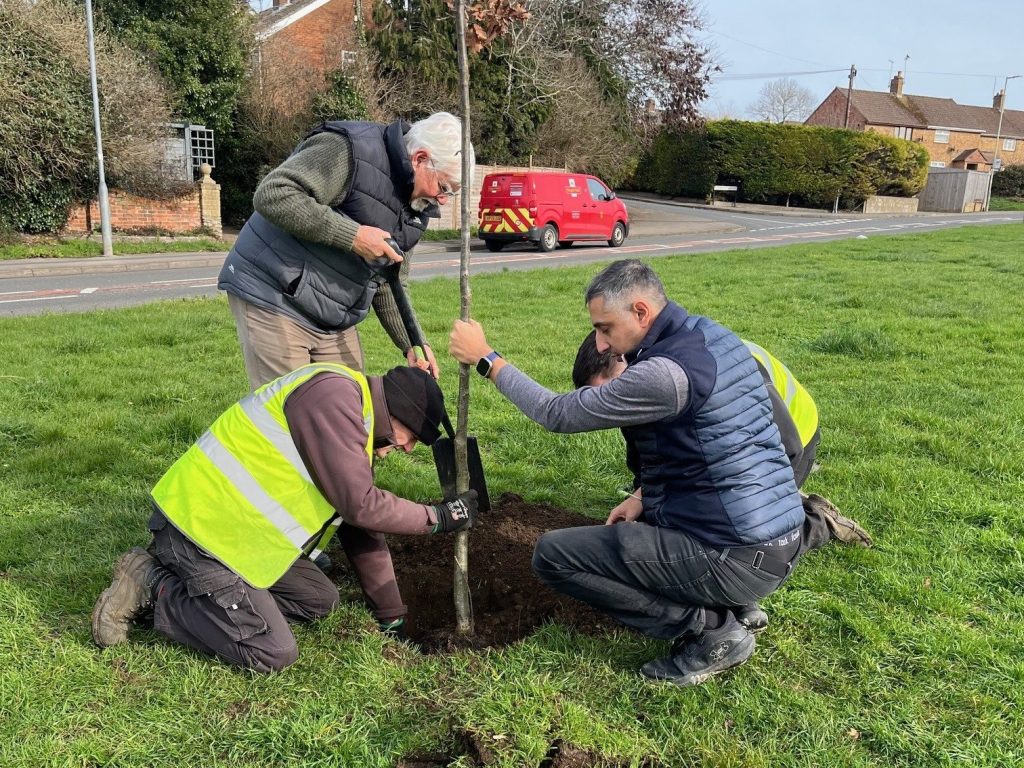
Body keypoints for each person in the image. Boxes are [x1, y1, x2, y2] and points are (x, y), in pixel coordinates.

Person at [450, 258, 816, 687]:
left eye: (605, 328)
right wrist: (641, 497)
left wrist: (487, 359)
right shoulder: (713, 338)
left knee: (554, 555)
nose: (601, 344)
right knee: (650, 519)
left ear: (641, 312)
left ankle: (708, 629)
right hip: (779, 543)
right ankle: (738, 603)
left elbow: (556, 413)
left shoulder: (664, 374)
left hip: (734, 555)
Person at [91, 364, 478, 672]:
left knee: (320, 601)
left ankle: (205, 591)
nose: (407, 449)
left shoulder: (353, 420)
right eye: (409, 437)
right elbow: (360, 505)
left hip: (239, 535)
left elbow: (358, 526)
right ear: (394, 412)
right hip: (199, 528)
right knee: (272, 651)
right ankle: (153, 583)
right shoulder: (333, 399)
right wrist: (438, 518)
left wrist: (392, 615)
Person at [571, 330, 872, 632]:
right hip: (730, 448)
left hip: (788, 441)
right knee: (680, 505)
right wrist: (641, 498)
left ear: (629, 360)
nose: (613, 406)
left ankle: (814, 521)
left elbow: (787, 446)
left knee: (732, 522)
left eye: (612, 392)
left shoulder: (712, 366)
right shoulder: (639, 389)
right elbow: (649, 462)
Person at [218, 112, 474, 390]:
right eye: (444, 187)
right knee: (292, 415)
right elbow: (273, 194)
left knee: (350, 410)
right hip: (273, 293)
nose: (444, 201)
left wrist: (413, 342)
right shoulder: (349, 150)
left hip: (332, 314)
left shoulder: (419, 206)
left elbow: (390, 279)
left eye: (451, 193)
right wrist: (353, 236)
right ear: (420, 159)